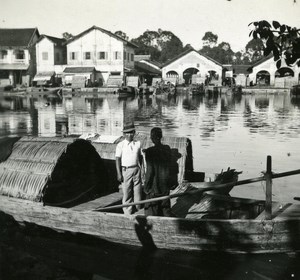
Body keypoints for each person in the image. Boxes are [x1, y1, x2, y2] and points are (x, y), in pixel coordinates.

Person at [143, 127, 174, 217]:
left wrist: (146, 187)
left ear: (152, 138)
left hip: (154, 188)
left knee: (151, 211)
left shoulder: (150, 152)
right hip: (165, 186)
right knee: (165, 210)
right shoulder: (167, 149)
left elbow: (150, 171)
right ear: (161, 137)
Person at [115, 122, 143, 215]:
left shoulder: (138, 144)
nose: (130, 135)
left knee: (138, 192)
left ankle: (138, 211)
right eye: (127, 133)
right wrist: (119, 173)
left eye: (131, 132)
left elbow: (140, 157)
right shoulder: (120, 145)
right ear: (124, 134)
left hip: (136, 169)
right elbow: (117, 159)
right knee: (127, 192)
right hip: (126, 170)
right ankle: (128, 212)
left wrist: (142, 169)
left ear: (134, 133)